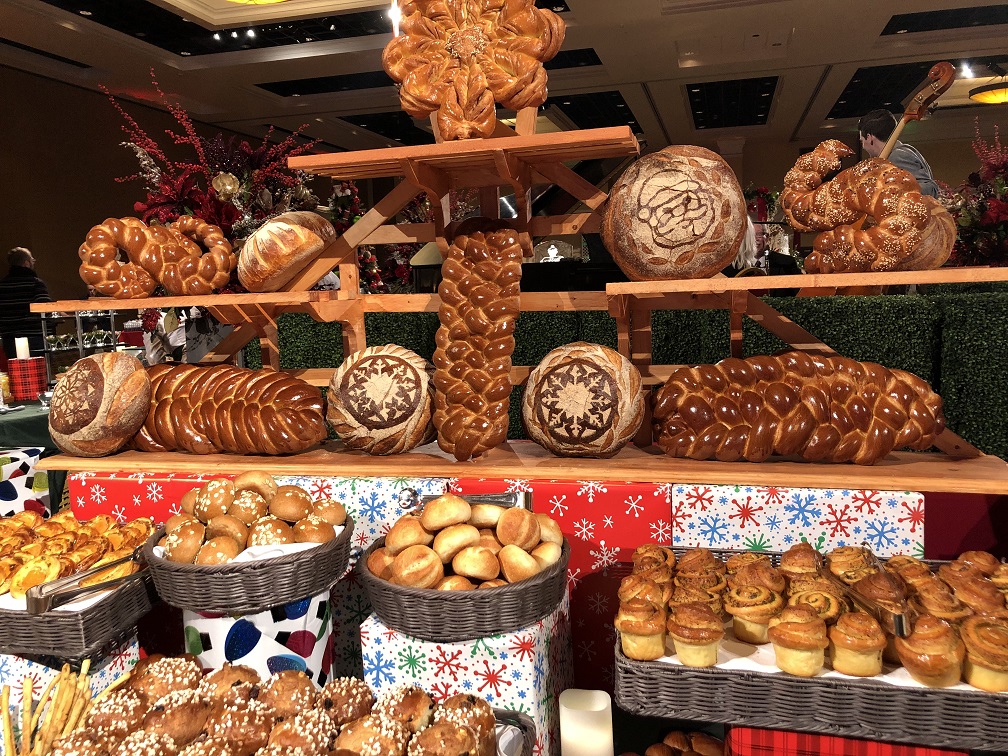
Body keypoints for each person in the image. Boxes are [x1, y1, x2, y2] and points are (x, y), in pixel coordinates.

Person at [858, 109, 939, 198]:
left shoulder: (898, 156)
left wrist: (894, 193)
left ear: (869, 137)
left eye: (862, 141)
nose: (863, 146)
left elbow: (931, 189)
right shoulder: (894, 155)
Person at [0, 247, 52, 359]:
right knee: (39, 373)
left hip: (9, 340)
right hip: (34, 338)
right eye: (32, 260)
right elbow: (45, 309)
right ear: (26, 263)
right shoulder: (35, 283)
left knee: (16, 373)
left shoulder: (2, 285)